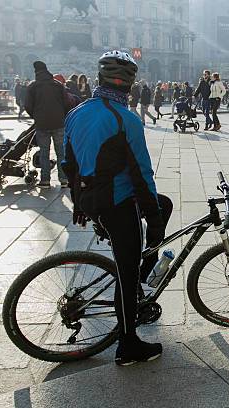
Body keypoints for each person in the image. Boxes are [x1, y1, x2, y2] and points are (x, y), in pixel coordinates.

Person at [62, 50, 173, 366]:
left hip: (92, 200)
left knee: (165, 204)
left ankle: (140, 273)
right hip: (117, 204)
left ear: (98, 79)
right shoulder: (126, 120)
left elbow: (68, 164)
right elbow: (142, 174)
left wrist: (79, 204)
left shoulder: (77, 112)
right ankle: (128, 345)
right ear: (130, 86)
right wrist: (155, 224)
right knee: (126, 274)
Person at [24, 61, 68, 189]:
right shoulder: (58, 85)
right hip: (59, 123)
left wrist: (36, 116)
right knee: (61, 152)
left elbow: (27, 106)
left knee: (44, 152)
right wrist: (60, 114)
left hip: (42, 124)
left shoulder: (33, 86)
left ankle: (45, 181)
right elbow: (66, 102)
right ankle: (64, 179)